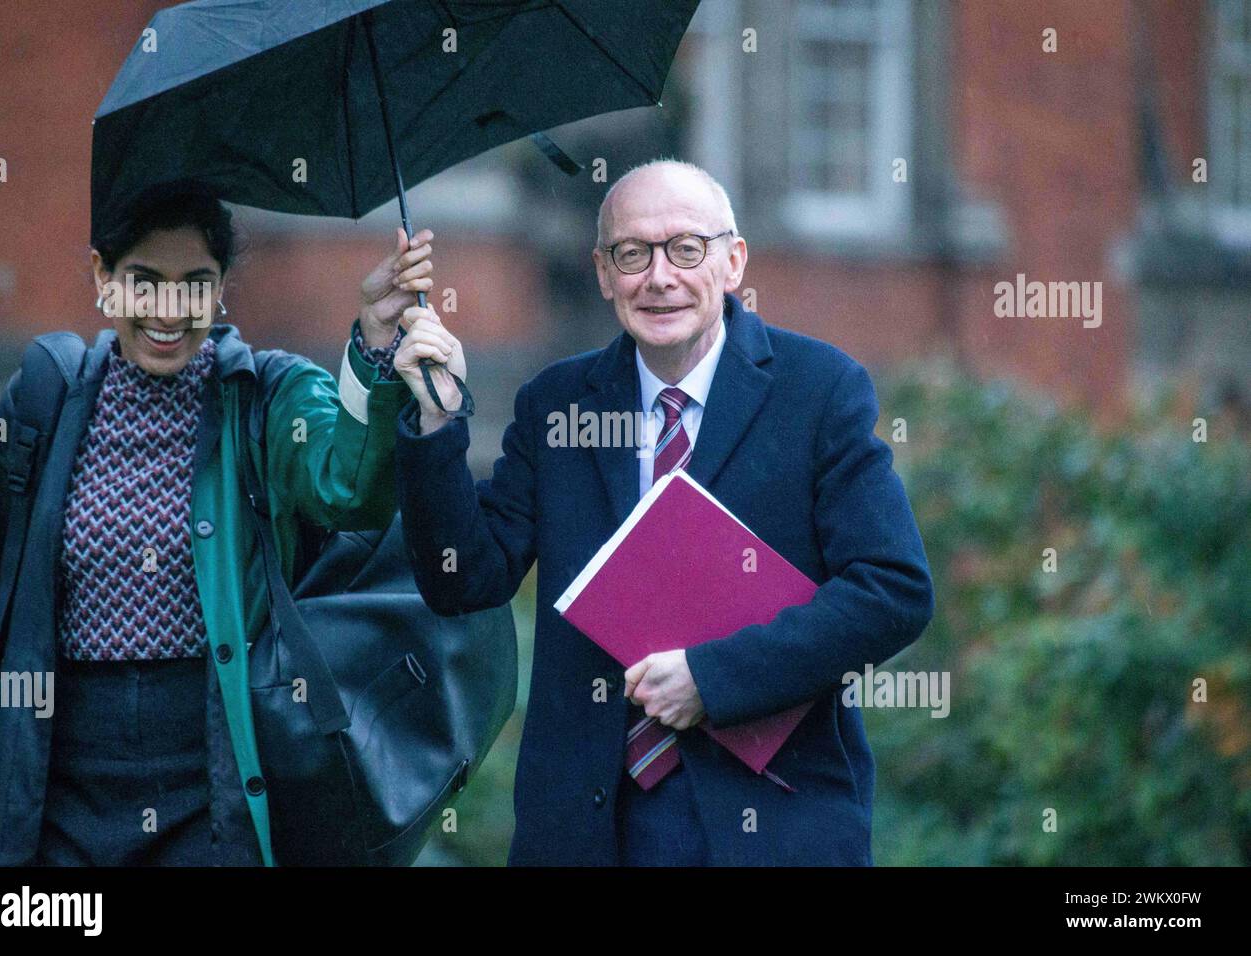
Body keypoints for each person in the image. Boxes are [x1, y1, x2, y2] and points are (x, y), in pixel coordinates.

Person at [389, 160, 935, 866]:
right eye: (632, 253)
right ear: (602, 272)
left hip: (768, 827)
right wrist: (436, 423)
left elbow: (894, 591)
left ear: (733, 260)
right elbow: (463, 578)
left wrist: (715, 677)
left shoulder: (819, 391)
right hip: (590, 831)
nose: (658, 277)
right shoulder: (560, 405)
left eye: (686, 249)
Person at [0, 181, 435, 866]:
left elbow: (347, 490)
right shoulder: (46, 396)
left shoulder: (267, 395)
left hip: (212, 778)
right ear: (102, 276)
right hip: (56, 783)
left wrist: (377, 341)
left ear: (222, 289)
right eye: (144, 283)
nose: (169, 311)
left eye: (195, 284)